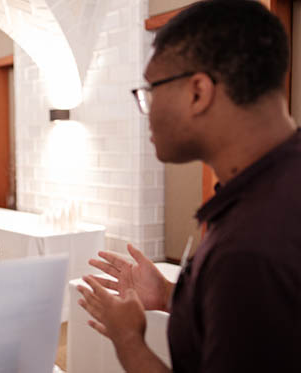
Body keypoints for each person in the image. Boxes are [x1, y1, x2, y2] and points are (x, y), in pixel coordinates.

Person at [77, 1, 300, 372]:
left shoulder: (252, 246)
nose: (145, 109)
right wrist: (169, 294)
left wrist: (128, 339)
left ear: (198, 92)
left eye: (151, 90)